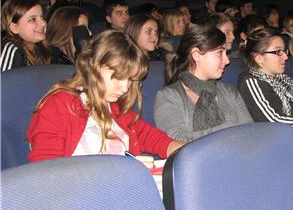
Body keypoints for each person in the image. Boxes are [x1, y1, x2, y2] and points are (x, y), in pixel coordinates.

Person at [26, 30, 184, 162]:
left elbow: (149, 137)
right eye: (117, 77)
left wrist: (186, 151)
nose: (124, 88)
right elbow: (45, 170)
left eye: (130, 79)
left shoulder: (113, 107)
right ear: (93, 66)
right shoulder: (59, 105)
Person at [153, 25, 253, 142]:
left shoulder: (229, 92)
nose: (227, 61)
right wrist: (229, 130)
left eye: (226, 53)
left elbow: (250, 133)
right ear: (196, 54)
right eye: (220, 52)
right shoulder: (169, 96)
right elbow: (177, 142)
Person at [238, 28, 293, 129]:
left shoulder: (283, 79)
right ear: (259, 58)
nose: (286, 57)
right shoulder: (251, 81)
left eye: (284, 51)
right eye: (278, 52)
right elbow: (274, 121)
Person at [1, 0, 51, 71]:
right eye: (32, 19)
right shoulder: (12, 49)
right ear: (14, 28)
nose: (43, 23)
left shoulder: (42, 49)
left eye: (42, 18)